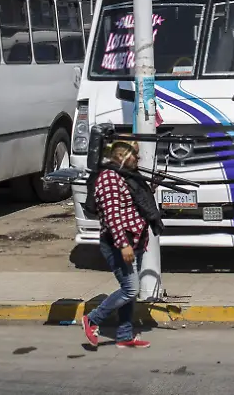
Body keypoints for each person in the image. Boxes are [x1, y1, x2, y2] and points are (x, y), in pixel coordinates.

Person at [81, 141, 151, 348]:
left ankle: (124, 335)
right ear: (123, 156)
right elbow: (112, 218)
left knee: (129, 291)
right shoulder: (110, 178)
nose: (138, 159)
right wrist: (123, 244)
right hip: (118, 243)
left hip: (133, 240)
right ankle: (93, 319)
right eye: (135, 155)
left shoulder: (125, 176)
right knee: (130, 289)